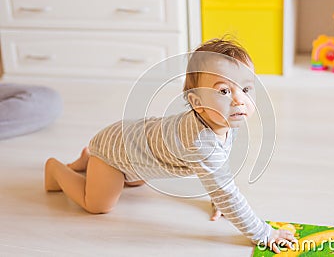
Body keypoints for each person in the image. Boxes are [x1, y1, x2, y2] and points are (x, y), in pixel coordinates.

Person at [44, 38, 296, 253]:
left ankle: (88, 158)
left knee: (136, 181)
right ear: (197, 103)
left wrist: (216, 199)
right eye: (223, 91)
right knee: (98, 206)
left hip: (134, 152)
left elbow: (220, 171)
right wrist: (264, 233)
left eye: (246, 88)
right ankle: (57, 170)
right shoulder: (200, 142)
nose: (240, 100)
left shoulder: (227, 120)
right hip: (114, 152)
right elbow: (226, 192)